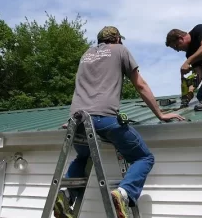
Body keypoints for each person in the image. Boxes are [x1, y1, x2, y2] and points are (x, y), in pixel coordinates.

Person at [54, 26, 185, 218]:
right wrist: (161, 114)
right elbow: (140, 84)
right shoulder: (120, 50)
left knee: (83, 157)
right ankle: (123, 194)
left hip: (77, 121)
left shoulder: (86, 54)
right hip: (103, 117)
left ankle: (66, 195)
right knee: (144, 158)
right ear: (116, 39)